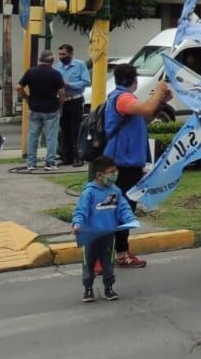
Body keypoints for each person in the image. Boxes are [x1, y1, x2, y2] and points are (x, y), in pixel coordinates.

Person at [102, 63, 169, 268]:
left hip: (128, 163)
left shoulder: (125, 98)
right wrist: (158, 90)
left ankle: (119, 252)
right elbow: (146, 109)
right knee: (119, 210)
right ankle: (114, 254)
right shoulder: (122, 98)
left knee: (123, 209)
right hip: (122, 163)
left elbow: (146, 117)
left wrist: (161, 102)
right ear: (135, 80)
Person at [72, 154, 137, 303]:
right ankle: (88, 288)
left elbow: (123, 208)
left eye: (115, 171)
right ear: (99, 175)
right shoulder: (89, 193)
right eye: (111, 172)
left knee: (108, 264)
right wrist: (77, 223)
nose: (115, 175)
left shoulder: (115, 191)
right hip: (90, 236)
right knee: (88, 263)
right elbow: (81, 210)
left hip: (108, 235)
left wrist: (130, 218)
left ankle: (109, 288)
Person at [19, 50, 64, 171]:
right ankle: (49, 163)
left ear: (40, 59)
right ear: (52, 60)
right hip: (51, 109)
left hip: (34, 108)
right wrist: (60, 105)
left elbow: (19, 87)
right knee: (51, 137)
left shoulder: (31, 72)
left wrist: (27, 99)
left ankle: (31, 163)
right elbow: (61, 92)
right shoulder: (55, 73)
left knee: (33, 136)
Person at [53, 44, 90, 166]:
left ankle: (78, 157)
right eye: (60, 54)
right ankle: (66, 157)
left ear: (70, 54)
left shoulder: (80, 65)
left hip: (75, 100)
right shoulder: (57, 67)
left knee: (76, 129)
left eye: (64, 54)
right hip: (63, 101)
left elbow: (86, 81)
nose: (61, 57)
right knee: (64, 129)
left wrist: (70, 85)